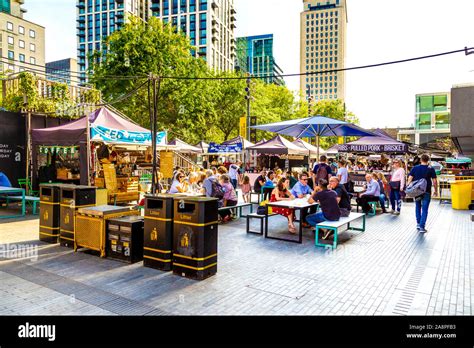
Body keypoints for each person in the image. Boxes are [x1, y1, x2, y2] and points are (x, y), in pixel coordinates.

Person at [407, 154, 438, 233]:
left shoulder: (415, 168)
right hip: (427, 191)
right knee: (424, 209)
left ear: (420, 160)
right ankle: (422, 227)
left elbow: (410, 178)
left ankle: (418, 223)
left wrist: (408, 188)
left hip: (416, 192)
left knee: (417, 207)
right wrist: (436, 190)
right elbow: (434, 181)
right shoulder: (431, 169)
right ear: (428, 160)